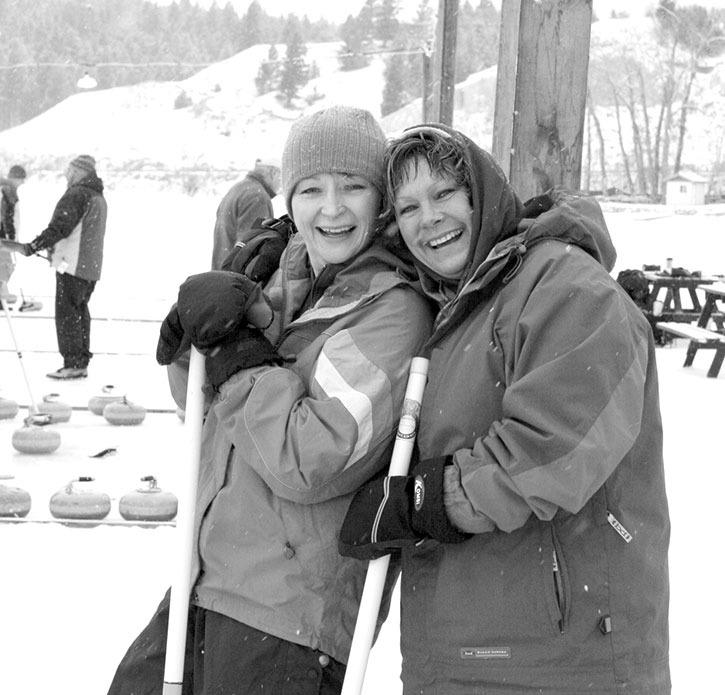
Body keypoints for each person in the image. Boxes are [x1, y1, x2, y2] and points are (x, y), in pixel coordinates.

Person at [107, 106, 433, 694]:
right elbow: (198, 406)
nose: (331, 208)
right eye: (311, 189)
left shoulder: (393, 312)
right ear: (290, 200)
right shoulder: (283, 280)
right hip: (203, 578)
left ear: (381, 199)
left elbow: (309, 459)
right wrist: (196, 339)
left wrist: (239, 349)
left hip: (289, 616)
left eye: (352, 187)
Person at [339, 124, 670, 694]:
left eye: (445, 194)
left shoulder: (564, 284)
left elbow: (551, 451)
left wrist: (425, 501)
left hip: (562, 661)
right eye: (409, 207)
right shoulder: (449, 308)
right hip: (466, 653)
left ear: (483, 192)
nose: (430, 219)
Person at [0, 154, 107, 379]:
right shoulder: (97, 196)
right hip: (90, 266)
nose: (67, 175)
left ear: (79, 172)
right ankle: (80, 361)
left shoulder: (77, 194)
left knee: (67, 314)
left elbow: (60, 227)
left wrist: (34, 246)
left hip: (72, 265)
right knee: (79, 312)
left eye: (70, 171)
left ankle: (73, 364)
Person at [210, 158, 281, 269]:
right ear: (273, 172)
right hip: (235, 279)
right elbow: (250, 249)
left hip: (222, 275)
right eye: (280, 177)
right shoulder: (257, 197)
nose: (280, 184)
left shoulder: (239, 188)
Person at [0, 164, 27, 306]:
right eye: (21, 179)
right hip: (3, 235)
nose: (23, 182)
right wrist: (10, 238)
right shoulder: (9, 190)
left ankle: (2, 294)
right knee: (5, 264)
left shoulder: (6, 188)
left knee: (5, 264)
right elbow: (7, 215)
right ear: (15, 178)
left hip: (3, 234)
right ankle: (1, 296)